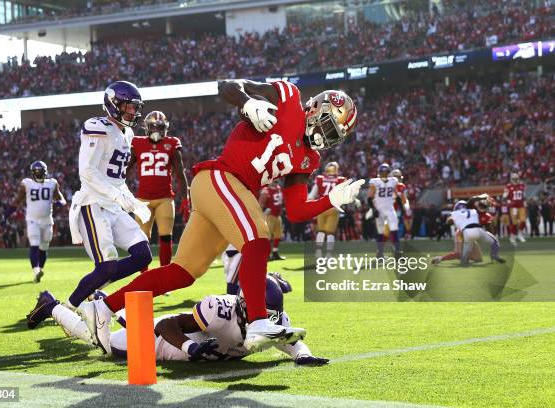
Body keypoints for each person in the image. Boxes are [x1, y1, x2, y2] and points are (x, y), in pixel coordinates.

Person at [78, 80, 363, 355]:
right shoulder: (288, 98)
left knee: (182, 273)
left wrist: (331, 200)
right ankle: (257, 320)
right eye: (328, 126)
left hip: (225, 193)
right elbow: (227, 84)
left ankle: (104, 307)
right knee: (258, 240)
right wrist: (247, 102)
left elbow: (296, 210)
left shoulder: (309, 159)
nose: (326, 137)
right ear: (315, 109)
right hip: (221, 178)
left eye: (335, 135)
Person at [26, 81, 153, 337]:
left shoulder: (127, 134)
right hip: (92, 204)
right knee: (106, 267)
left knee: (143, 256)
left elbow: (118, 179)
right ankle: (64, 309)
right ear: (114, 105)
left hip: (112, 205)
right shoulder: (97, 128)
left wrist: (133, 201)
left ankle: (94, 295)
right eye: (128, 107)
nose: (133, 113)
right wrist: (120, 197)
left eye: (135, 108)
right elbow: (87, 172)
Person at [26, 275, 328, 365]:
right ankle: (52, 306)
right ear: (243, 304)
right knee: (102, 345)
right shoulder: (219, 309)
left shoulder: (273, 319)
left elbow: (289, 340)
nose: (266, 319)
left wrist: (304, 355)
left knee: (129, 321)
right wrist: (190, 349)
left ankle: (112, 309)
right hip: (162, 342)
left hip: (176, 336)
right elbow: (166, 327)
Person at [129, 111, 189, 266]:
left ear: (165, 127)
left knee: (166, 236)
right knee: (141, 239)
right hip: (143, 200)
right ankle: (143, 275)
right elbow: (126, 169)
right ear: (147, 127)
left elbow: (180, 173)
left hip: (164, 198)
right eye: (153, 127)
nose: (156, 130)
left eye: (159, 127)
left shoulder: (172, 143)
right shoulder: (137, 143)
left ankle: (164, 276)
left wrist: (185, 198)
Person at [2, 161, 66, 282]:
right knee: (35, 244)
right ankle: (36, 270)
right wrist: (6, 215)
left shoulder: (52, 183)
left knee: (44, 247)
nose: (38, 174)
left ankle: (39, 270)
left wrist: (61, 203)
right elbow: (16, 201)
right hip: (33, 220)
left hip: (47, 221)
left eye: (40, 172)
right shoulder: (27, 184)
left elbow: (61, 198)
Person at [366, 163, 408, 257]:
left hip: (390, 208)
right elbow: (369, 197)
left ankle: (397, 251)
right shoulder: (375, 182)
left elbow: (396, 196)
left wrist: (402, 208)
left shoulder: (393, 181)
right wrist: (373, 209)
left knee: (394, 228)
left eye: (386, 172)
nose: (384, 174)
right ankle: (380, 253)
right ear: (379, 173)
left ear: (389, 172)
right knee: (380, 231)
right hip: (379, 209)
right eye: (382, 172)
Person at [447, 200, 505, 266]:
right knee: (495, 242)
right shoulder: (473, 211)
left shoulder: (455, 213)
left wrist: (456, 221)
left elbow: (449, 221)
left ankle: (464, 260)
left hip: (467, 233)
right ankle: (494, 255)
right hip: (479, 230)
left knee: (464, 258)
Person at [309, 161, 346, 258]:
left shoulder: (320, 179)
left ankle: (318, 252)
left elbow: (312, 195)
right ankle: (328, 254)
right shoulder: (340, 180)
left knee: (321, 231)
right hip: (333, 207)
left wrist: (307, 204)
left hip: (322, 207)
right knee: (330, 233)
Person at [259, 181, 285, 260]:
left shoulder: (278, 188)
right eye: (274, 181)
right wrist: (264, 210)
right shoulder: (266, 190)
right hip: (269, 216)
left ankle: (275, 252)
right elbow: (261, 203)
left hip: (278, 216)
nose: (276, 183)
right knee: (267, 236)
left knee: (278, 235)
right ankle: (266, 254)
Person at [503, 173, 526, 245]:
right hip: (513, 207)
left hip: (521, 206)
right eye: (514, 179)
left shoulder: (522, 185)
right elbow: (504, 197)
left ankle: (520, 234)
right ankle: (512, 237)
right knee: (514, 223)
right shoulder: (508, 186)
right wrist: (508, 201)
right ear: (511, 179)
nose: (515, 180)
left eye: (516, 179)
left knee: (523, 220)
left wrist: (525, 201)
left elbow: (524, 195)